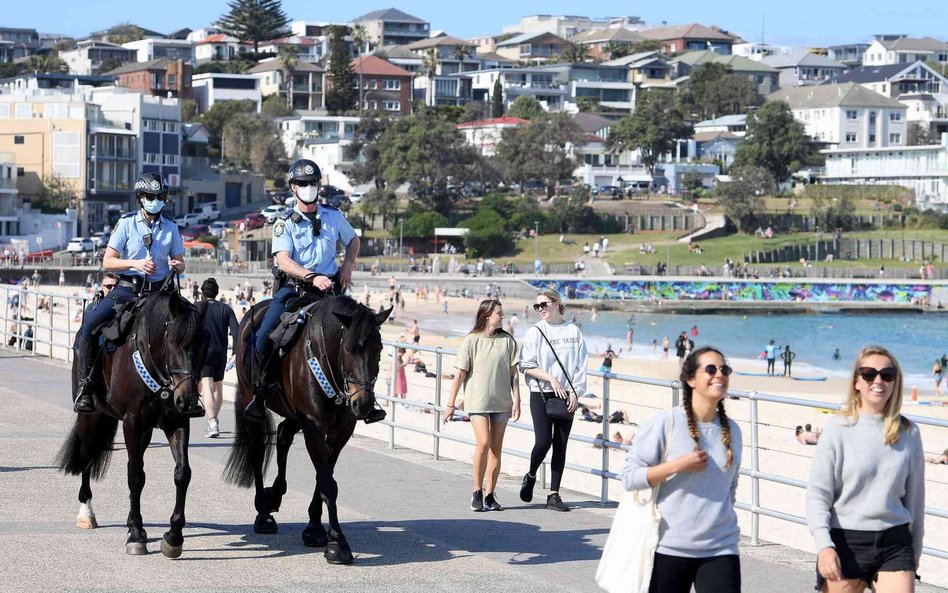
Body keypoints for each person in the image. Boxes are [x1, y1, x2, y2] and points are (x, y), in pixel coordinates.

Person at [244, 159, 363, 422]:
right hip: (295, 290)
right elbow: (283, 260)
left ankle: (362, 395)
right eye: (302, 183)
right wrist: (311, 276)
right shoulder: (283, 222)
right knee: (262, 338)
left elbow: (353, 240)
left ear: (318, 185)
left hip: (330, 290)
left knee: (362, 333)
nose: (308, 187)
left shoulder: (333, 216)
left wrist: (347, 266)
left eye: (312, 183)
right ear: (292, 188)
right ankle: (259, 393)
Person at [72, 173, 198, 416]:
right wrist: (136, 264)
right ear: (141, 198)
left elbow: (181, 263)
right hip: (127, 290)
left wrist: (177, 265)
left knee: (193, 326)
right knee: (90, 325)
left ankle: (193, 391)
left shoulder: (171, 227)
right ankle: (85, 387)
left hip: (161, 293)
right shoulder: (126, 223)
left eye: (160, 197)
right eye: (151, 196)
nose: (156, 200)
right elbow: (108, 261)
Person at [623, 347, 742, 593]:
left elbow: (730, 486)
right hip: (669, 546)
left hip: (721, 547)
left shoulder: (733, 430)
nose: (719, 374)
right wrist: (678, 465)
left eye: (724, 369)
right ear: (690, 379)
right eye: (710, 369)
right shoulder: (668, 422)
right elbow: (630, 477)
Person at [806, 346, 925, 593]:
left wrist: (915, 551)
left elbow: (915, 501)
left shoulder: (909, 433)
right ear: (856, 382)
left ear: (895, 381)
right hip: (846, 541)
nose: (878, 380)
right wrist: (824, 546)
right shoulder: (837, 429)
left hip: (895, 542)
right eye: (869, 374)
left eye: (887, 374)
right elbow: (818, 495)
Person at [442, 299, 521, 512]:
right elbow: (460, 373)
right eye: (499, 313)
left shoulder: (508, 341)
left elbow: (514, 374)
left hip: (502, 402)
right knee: (483, 443)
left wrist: (517, 400)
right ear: (487, 315)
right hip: (478, 401)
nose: (502, 317)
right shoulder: (472, 340)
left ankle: (490, 494)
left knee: (496, 449)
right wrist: (450, 404)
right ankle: (476, 490)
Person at [518, 288, 588, 512]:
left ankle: (554, 495)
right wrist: (550, 378)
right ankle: (530, 476)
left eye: (544, 304)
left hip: (567, 393)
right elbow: (526, 365)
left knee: (561, 444)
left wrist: (576, 391)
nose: (541, 309)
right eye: (537, 306)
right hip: (541, 392)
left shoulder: (573, 331)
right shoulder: (535, 332)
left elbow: (581, 365)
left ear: (557, 303)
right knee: (543, 441)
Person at [198, 278, 238, 438]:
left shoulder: (197, 307)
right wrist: (235, 352)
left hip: (203, 351)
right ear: (217, 292)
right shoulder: (226, 308)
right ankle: (213, 420)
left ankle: (212, 421)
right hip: (221, 353)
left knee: (207, 384)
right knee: (218, 386)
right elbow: (236, 331)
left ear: (202, 293)